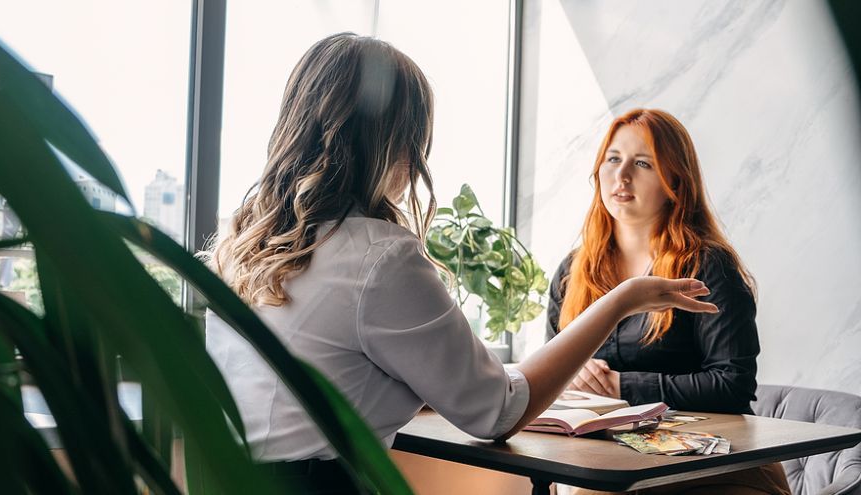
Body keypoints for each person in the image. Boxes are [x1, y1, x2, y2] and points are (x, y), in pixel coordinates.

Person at [203, 34, 717, 495]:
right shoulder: (379, 257)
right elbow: (497, 410)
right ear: (391, 143)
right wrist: (621, 301)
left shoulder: (241, 243)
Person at [546, 108, 791, 495]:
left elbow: (732, 385)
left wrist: (621, 385)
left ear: (675, 179)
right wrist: (571, 377)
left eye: (642, 163)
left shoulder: (708, 265)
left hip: (713, 461)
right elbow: (548, 380)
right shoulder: (571, 271)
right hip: (612, 455)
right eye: (613, 159)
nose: (622, 175)